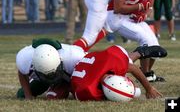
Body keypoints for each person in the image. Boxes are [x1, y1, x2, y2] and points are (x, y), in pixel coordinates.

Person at [16, 38, 167, 99]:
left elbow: (129, 67)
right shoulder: (24, 58)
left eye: (54, 72)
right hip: (59, 71)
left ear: (60, 61)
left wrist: (148, 88)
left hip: (75, 68)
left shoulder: (73, 57)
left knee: (116, 66)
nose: (52, 78)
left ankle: (139, 52)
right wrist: (29, 95)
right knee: (22, 94)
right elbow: (22, 73)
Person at [101, 0, 165, 82]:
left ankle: (146, 73)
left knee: (155, 46)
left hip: (134, 15)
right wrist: (140, 7)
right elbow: (118, 8)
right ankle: (117, 68)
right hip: (116, 17)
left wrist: (145, 12)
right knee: (146, 41)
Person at [71, 44, 167, 101]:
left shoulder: (88, 90)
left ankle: (140, 52)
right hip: (90, 61)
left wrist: (149, 88)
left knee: (125, 62)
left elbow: (133, 68)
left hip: (113, 54)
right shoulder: (90, 91)